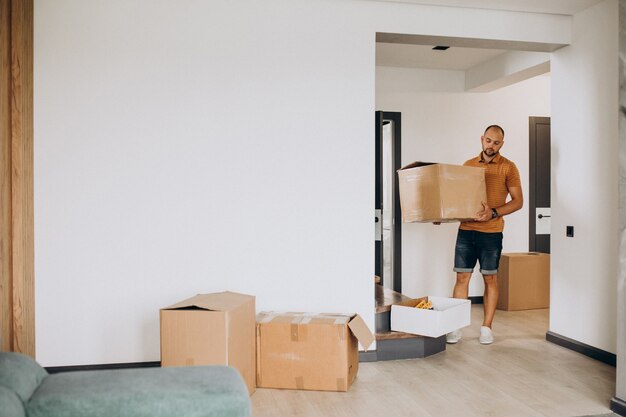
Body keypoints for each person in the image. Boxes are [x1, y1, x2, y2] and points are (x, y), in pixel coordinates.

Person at [446, 125, 523, 345]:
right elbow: (459, 197)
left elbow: (518, 202)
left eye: (496, 142)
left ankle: (487, 327)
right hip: (466, 232)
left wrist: (494, 212)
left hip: (491, 234)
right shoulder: (468, 165)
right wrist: (443, 214)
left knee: (490, 278)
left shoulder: (509, 167)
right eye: (488, 141)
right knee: (462, 277)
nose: (491, 146)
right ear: (482, 139)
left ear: (502, 144)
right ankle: (456, 327)